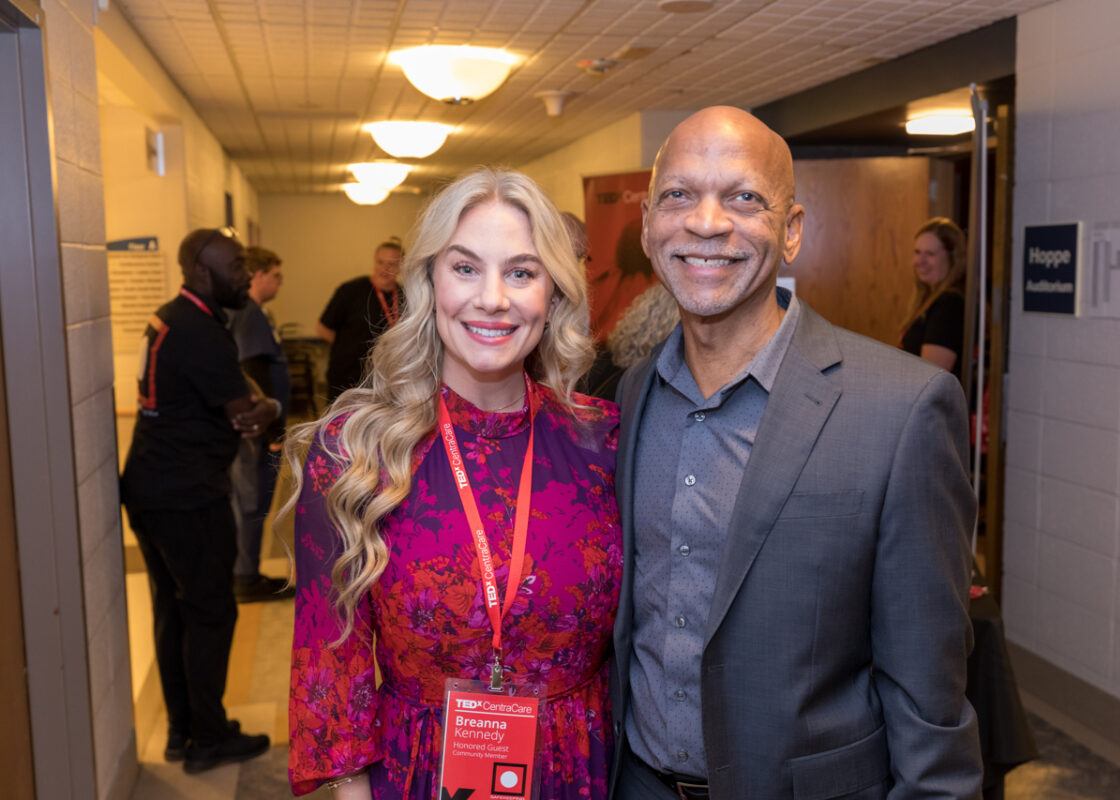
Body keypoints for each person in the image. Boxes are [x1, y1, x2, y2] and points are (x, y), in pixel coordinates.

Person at [609, 107, 981, 800]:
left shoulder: (902, 409)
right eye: (679, 195)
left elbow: (929, 691)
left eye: (744, 197)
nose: (708, 222)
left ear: (792, 231)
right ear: (648, 228)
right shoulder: (631, 397)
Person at [286, 168, 621, 799]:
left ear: (553, 295)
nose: (492, 298)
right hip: (418, 772)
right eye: (465, 268)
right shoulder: (356, 450)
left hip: (581, 770)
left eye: (521, 272)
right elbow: (330, 660)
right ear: (428, 282)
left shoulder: (604, 442)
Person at [120, 227, 280, 772]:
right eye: (234, 267)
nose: (244, 274)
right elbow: (246, 413)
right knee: (211, 612)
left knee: (174, 611)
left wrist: (255, 404)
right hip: (187, 497)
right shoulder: (201, 331)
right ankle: (209, 739)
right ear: (200, 272)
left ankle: (184, 730)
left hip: (151, 488)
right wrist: (273, 408)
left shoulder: (172, 315)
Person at [228, 246, 293, 602]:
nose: (280, 283)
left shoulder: (256, 313)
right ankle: (245, 577)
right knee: (252, 502)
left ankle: (247, 571)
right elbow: (255, 373)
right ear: (259, 276)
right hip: (259, 430)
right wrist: (272, 431)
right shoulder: (250, 315)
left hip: (261, 427)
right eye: (276, 275)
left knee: (253, 502)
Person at [316, 239, 406, 402]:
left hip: (385, 378)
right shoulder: (351, 290)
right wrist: (347, 347)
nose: (385, 269)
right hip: (347, 377)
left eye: (392, 264)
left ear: (401, 266)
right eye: (380, 262)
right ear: (374, 262)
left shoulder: (404, 295)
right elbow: (323, 328)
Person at [899, 217, 967, 373]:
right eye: (917, 252)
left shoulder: (949, 305)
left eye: (930, 254)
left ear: (952, 258)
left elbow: (930, 378)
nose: (919, 261)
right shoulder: (930, 298)